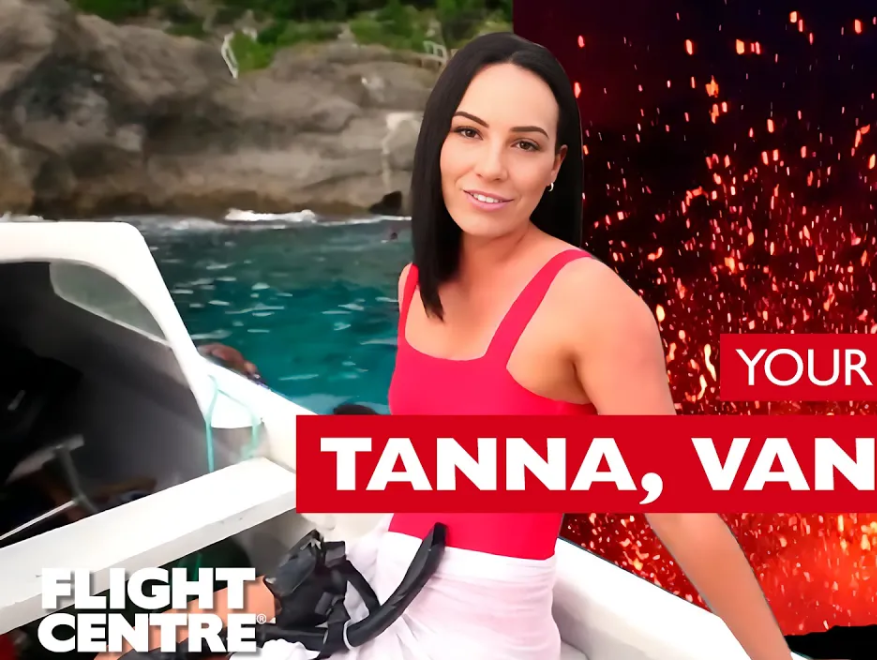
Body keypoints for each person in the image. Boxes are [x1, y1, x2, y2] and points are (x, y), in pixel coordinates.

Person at [96, 32, 791, 660]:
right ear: (438, 142)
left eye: (524, 144)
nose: (491, 166)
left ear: (556, 167)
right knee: (128, 646)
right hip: (374, 576)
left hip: (476, 630)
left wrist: (774, 658)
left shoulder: (592, 304)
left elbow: (681, 508)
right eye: (469, 133)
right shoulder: (414, 284)